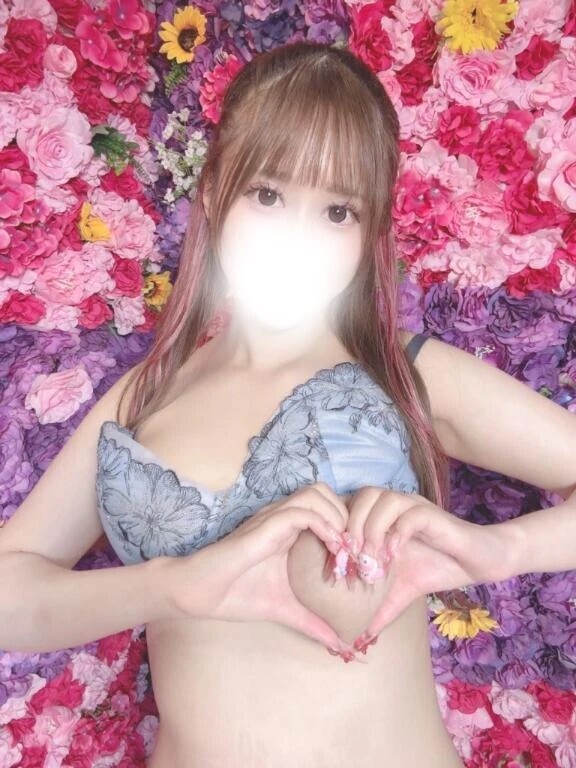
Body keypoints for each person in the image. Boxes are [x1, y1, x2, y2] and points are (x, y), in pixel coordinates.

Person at [0, 39, 574, 768]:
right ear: (215, 190)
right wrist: (169, 587)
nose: (297, 238)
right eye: (268, 195)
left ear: (371, 232)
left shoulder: (406, 376)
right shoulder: (146, 393)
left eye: (337, 211)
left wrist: (497, 551)